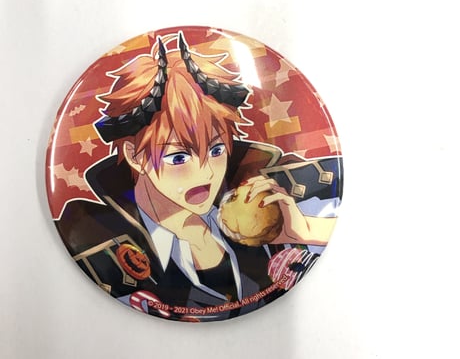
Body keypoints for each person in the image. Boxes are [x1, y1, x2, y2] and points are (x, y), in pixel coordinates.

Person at [56, 32, 342, 321]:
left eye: (217, 150)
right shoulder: (96, 236)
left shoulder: (266, 197)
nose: (206, 174)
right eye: (178, 157)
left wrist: (303, 231)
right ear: (134, 156)